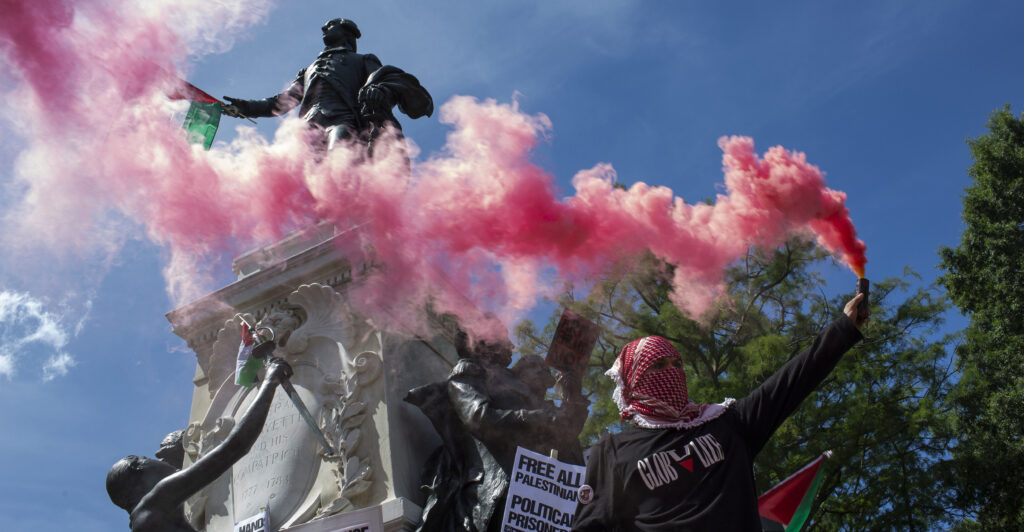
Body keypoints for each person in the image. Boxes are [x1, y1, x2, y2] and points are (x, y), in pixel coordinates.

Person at [571, 294, 868, 531]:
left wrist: (843, 329)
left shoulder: (728, 424)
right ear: (634, 383)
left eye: (677, 364)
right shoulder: (614, 451)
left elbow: (790, 383)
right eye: (659, 367)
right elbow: (590, 525)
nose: (672, 372)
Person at [406, 330, 589, 532]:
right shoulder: (469, 370)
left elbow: (563, 435)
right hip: (506, 486)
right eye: (504, 340)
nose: (512, 346)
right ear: (485, 342)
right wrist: (536, 418)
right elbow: (478, 417)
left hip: (545, 490)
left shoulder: (520, 383)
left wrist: (572, 396)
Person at [106, 358, 293, 532]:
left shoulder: (143, 520)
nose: (158, 460)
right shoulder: (157, 501)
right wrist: (270, 382)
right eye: (147, 458)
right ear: (140, 468)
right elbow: (235, 446)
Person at [222, 18, 432, 152]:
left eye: (331, 26)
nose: (324, 28)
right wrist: (244, 107)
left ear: (347, 33)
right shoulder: (308, 70)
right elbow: (281, 103)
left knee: (338, 159)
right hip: (308, 125)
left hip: (343, 120)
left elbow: (379, 82)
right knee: (303, 175)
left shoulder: (362, 60)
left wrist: (379, 95)